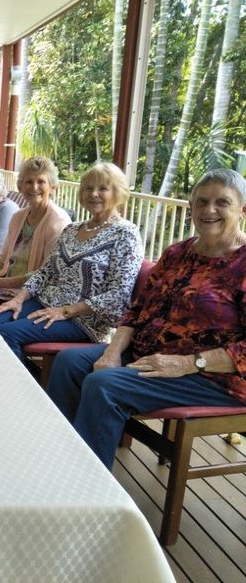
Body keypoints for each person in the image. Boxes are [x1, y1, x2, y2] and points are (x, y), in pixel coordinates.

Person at [47, 169, 246, 469]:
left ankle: (89, 489)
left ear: (242, 210)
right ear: (190, 207)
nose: (209, 210)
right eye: (201, 202)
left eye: (222, 202)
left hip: (213, 377)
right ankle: (62, 454)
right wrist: (112, 352)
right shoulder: (178, 252)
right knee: (68, 364)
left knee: (104, 384)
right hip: (149, 356)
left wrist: (188, 363)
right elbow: (138, 309)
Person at [0, 162, 143, 364]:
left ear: (118, 193)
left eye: (102, 188)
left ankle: (24, 392)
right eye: (88, 188)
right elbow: (45, 272)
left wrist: (66, 310)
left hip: (83, 320)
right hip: (45, 303)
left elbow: (118, 295)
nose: (93, 194)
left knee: (5, 334)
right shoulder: (72, 229)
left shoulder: (125, 234)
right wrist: (19, 298)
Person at [0, 157, 71, 312]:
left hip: (27, 292)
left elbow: (47, 274)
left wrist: (1, 283)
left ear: (52, 186)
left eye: (41, 181)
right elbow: (2, 259)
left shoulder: (58, 222)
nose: (34, 187)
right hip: (3, 282)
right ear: (20, 186)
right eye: (28, 182)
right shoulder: (18, 217)